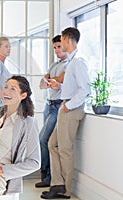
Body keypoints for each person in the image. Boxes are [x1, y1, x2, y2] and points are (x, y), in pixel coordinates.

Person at [41, 27, 90, 199]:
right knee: (52, 144)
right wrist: (62, 94)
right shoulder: (71, 61)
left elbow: (85, 89)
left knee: (65, 150)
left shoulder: (78, 62)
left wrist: (69, 105)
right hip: (65, 107)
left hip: (71, 109)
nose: (60, 43)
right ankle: (57, 184)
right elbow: (72, 87)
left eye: (61, 40)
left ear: (67, 39)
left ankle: (66, 190)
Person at [35, 35, 68, 188]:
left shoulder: (69, 64)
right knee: (45, 141)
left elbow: (58, 81)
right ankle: (47, 175)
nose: (56, 50)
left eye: (59, 47)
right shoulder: (53, 64)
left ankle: (47, 176)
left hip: (58, 106)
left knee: (44, 140)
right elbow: (43, 84)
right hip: (48, 106)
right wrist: (50, 81)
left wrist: (51, 81)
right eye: (54, 47)